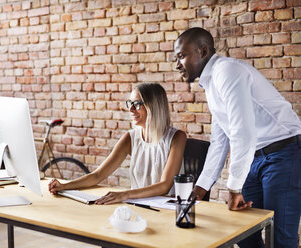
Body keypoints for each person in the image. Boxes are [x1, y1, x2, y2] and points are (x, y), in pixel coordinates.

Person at [174, 27, 301, 248]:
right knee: (244, 234)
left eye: (182, 56)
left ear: (203, 51)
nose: (177, 65)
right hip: (256, 158)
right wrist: (201, 187)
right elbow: (220, 139)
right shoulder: (211, 83)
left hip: (284, 154)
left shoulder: (227, 72)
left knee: (280, 239)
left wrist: (234, 188)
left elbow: (243, 133)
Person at [49, 83, 186, 205]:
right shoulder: (130, 138)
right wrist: (64, 186)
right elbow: (98, 175)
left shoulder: (177, 137)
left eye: (137, 104)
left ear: (154, 106)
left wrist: (125, 194)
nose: (131, 109)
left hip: (168, 209)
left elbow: (164, 186)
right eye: (130, 103)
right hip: (139, 206)